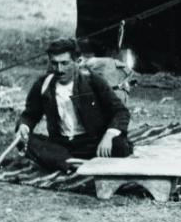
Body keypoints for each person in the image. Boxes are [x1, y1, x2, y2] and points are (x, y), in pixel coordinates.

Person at [15, 38, 133, 171]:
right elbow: (29, 115)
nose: (59, 69)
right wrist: (24, 126)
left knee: (119, 144)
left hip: (94, 142)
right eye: (54, 63)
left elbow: (121, 112)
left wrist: (109, 135)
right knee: (26, 141)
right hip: (62, 145)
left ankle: (67, 164)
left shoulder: (92, 80)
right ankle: (72, 163)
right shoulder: (43, 85)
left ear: (77, 61)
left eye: (64, 63)